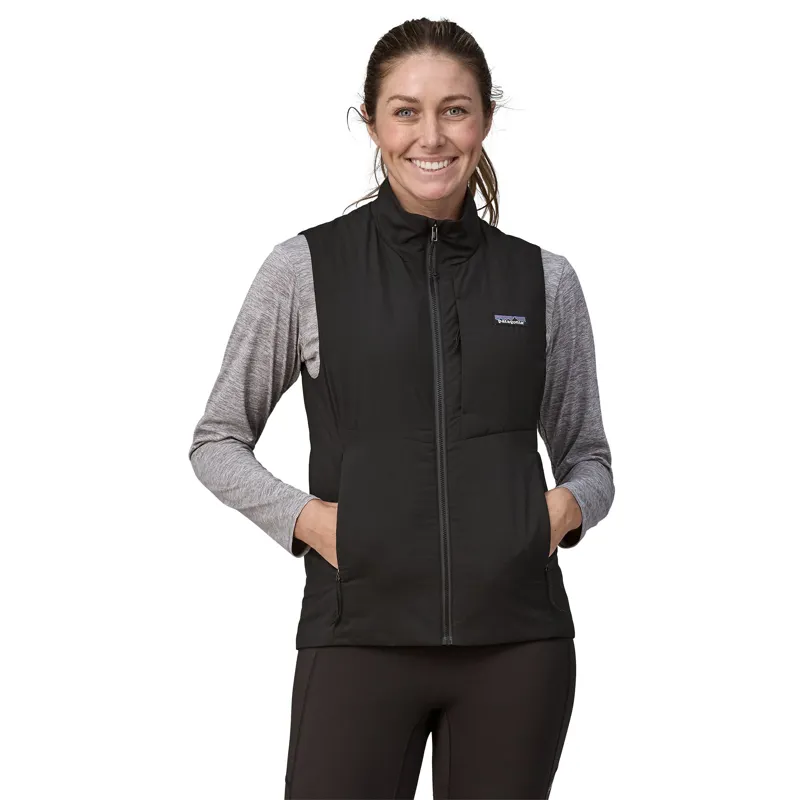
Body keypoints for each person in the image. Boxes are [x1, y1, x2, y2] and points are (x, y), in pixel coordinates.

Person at [188, 16, 614, 800]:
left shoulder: (543, 280)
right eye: (406, 111)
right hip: (358, 636)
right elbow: (217, 440)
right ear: (373, 123)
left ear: (484, 120)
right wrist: (310, 522)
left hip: (518, 646)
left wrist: (559, 511)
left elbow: (590, 457)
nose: (432, 136)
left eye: (454, 110)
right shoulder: (305, 269)